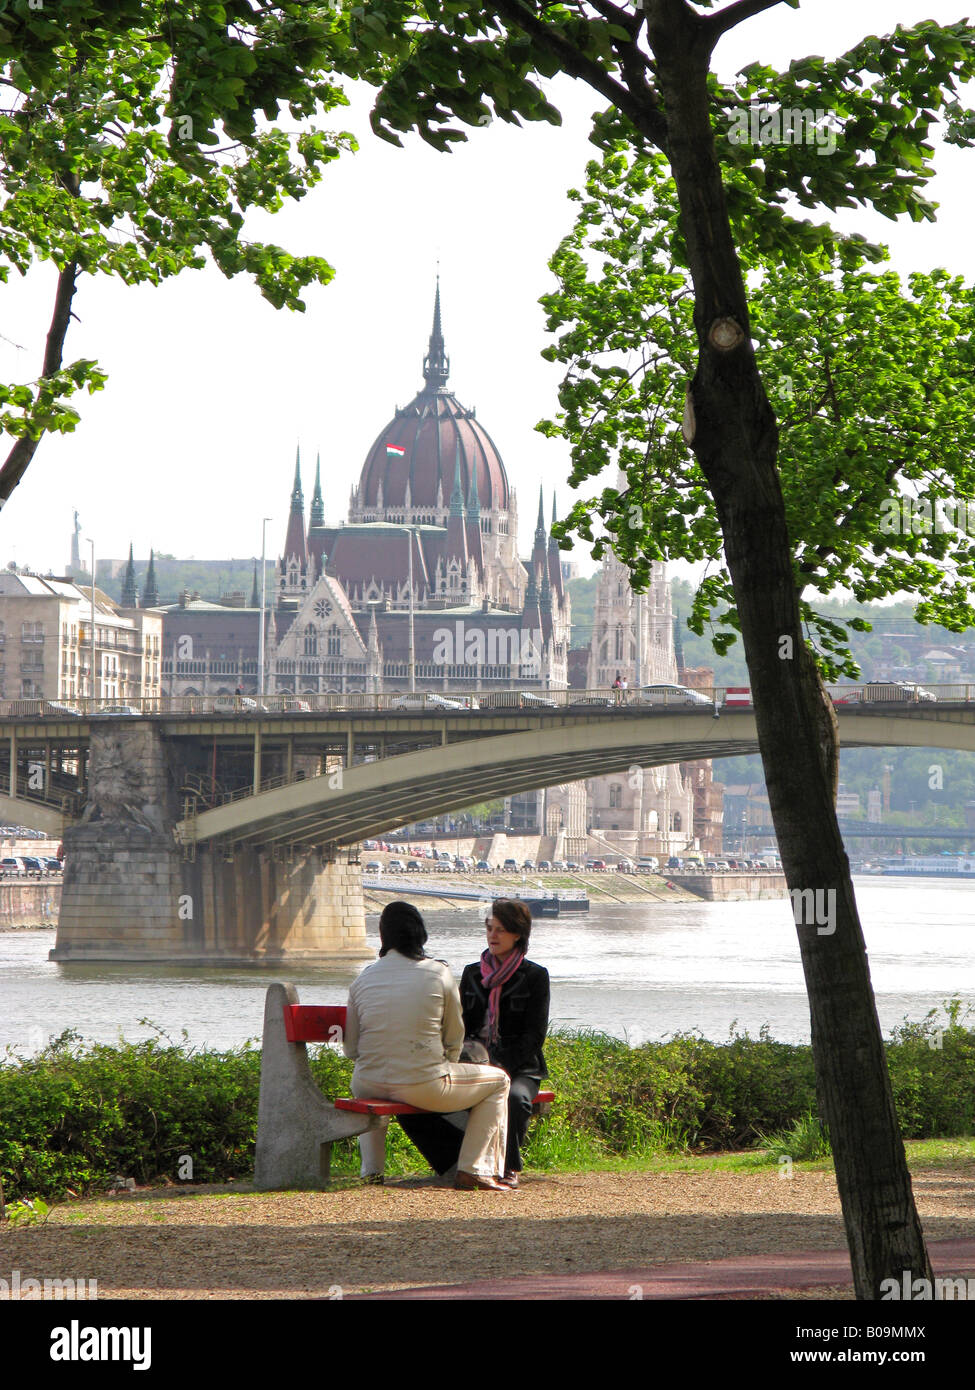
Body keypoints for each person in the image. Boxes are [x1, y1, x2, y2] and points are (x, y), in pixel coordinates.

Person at [343, 900, 511, 1192]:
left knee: (369, 1085)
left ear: (383, 937)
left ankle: (371, 1172)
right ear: (420, 934)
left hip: (367, 1082)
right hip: (423, 1083)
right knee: (500, 1081)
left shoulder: (363, 979)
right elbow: (454, 1036)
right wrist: (443, 1063)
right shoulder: (437, 973)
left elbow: (351, 1048)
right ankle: (473, 1168)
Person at [398, 899, 549, 1189]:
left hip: (521, 1068)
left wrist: (501, 1064)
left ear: (518, 934)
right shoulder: (472, 974)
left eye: (501, 930)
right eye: (490, 929)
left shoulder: (535, 976)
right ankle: (458, 1160)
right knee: (416, 1103)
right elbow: (458, 1024)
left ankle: (508, 1167)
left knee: (515, 1099)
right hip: (471, 1063)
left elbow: (534, 1035)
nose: (493, 936)